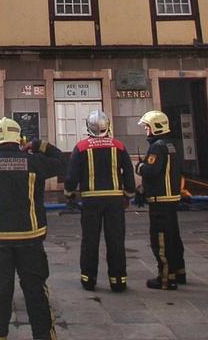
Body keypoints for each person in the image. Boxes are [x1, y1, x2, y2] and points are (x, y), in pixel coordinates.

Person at [0, 117, 64, 340]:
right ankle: (44, 335)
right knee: (36, 289)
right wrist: (38, 145)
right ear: (19, 139)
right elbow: (60, 160)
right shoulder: (35, 162)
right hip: (31, 238)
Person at [64, 110, 136, 292]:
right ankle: (118, 280)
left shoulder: (81, 147)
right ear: (108, 126)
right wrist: (128, 194)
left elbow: (71, 176)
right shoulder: (118, 146)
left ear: (88, 127)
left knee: (90, 240)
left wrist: (70, 193)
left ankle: (88, 279)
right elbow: (128, 172)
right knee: (116, 240)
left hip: (91, 200)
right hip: (114, 200)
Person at [135, 110, 186, 290]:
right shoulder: (171, 145)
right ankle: (179, 272)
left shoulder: (157, 147)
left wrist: (140, 166)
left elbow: (151, 171)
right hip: (171, 198)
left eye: (147, 127)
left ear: (155, 128)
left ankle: (165, 278)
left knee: (161, 240)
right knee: (174, 237)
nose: (146, 131)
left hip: (160, 200)